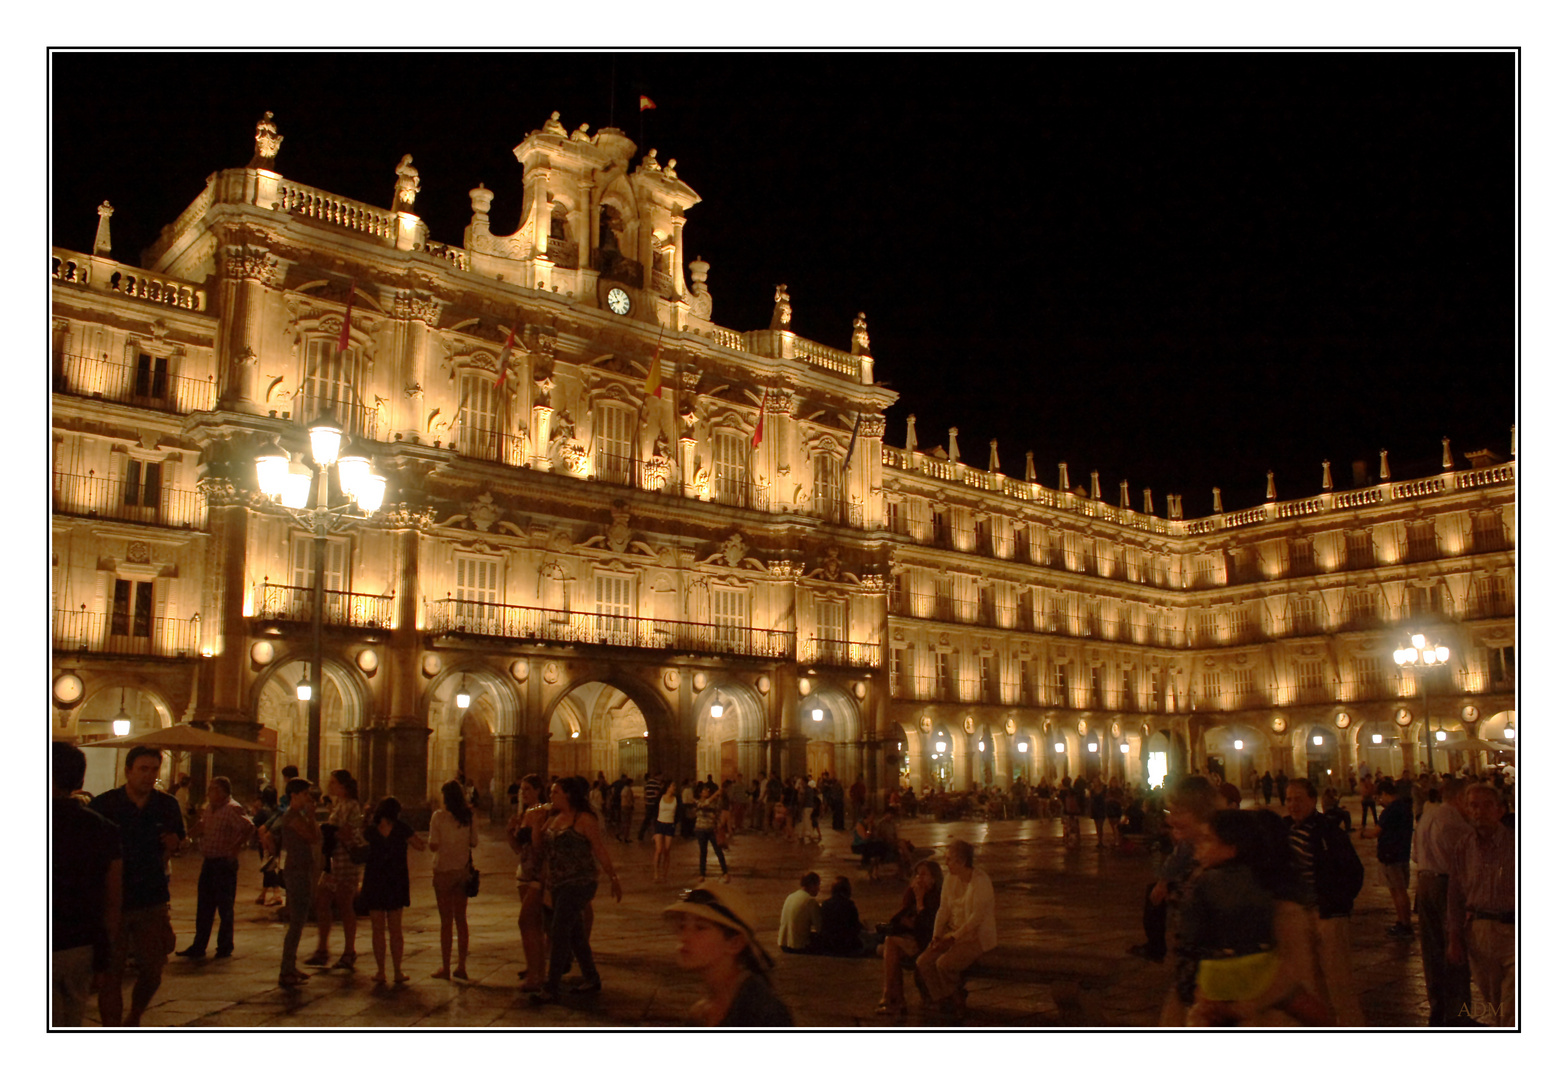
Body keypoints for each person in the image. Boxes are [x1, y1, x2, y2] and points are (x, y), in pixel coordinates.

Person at [1182, 810, 1331, 1026]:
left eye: (1208, 840)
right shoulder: (1268, 891)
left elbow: (1192, 935)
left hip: (1235, 990)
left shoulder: (1284, 911)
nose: (1198, 849)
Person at [89, 746, 184, 1025]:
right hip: (112, 901)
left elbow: (176, 840)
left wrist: (174, 844)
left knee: (153, 970)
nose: (149, 775)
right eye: (143, 769)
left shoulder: (166, 805)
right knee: (111, 973)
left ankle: (135, 1014)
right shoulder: (105, 805)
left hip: (151, 899)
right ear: (128, 770)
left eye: (154, 770)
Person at [531, 776, 622, 1004]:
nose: (551, 796)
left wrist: (613, 877)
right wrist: (533, 823)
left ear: (568, 795)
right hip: (558, 882)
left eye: (555, 792)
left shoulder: (584, 820)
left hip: (580, 882)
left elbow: (599, 849)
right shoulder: (553, 819)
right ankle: (591, 977)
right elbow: (539, 846)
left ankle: (551, 986)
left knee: (560, 930)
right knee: (576, 935)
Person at [1284, 777, 1366, 1026]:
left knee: (1338, 982)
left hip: (1328, 915)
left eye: (1298, 799)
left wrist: (1337, 903)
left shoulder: (1328, 830)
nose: (1293, 804)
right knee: (1309, 984)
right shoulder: (1284, 830)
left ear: (1312, 800)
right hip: (1299, 918)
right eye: (1288, 799)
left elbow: (1354, 871)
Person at [52, 742, 122, 1027]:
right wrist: (103, 957)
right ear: (80, 780)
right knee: (72, 1017)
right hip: (81, 945)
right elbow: (113, 900)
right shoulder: (104, 829)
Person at [666, 882, 793, 1026]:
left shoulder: (763, 1014)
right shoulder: (702, 1012)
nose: (684, 937)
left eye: (700, 928)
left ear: (735, 943)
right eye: (682, 926)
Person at [1446, 783, 1514, 1026]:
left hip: (1512, 932)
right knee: (1493, 1004)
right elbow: (1455, 896)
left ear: (1500, 810)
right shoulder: (1464, 847)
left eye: (1487, 805)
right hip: (1479, 932)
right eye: (1474, 805)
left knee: (1513, 1007)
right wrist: (1454, 938)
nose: (1479, 811)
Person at [1414, 776, 1474, 1025]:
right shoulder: (1455, 821)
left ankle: (1437, 1006)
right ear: (1460, 798)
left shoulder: (1428, 815)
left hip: (1424, 883)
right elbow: (1465, 862)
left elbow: (1415, 855)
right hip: (1445, 885)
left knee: (1431, 951)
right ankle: (1459, 1013)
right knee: (1454, 947)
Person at [176, 776, 255, 960]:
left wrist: (235, 848)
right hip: (209, 861)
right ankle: (199, 945)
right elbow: (204, 824)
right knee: (204, 905)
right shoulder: (210, 808)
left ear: (221, 791)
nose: (209, 792)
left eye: (212, 789)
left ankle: (225, 946)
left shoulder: (232, 808)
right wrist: (187, 836)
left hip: (223, 863)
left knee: (224, 906)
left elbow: (248, 827)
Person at [915, 839, 996, 1016]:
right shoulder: (951, 880)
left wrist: (953, 938)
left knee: (944, 964)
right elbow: (943, 909)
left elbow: (976, 918)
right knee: (923, 962)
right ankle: (945, 997)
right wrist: (937, 936)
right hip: (952, 934)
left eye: (950, 859)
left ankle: (954, 999)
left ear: (962, 862)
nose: (947, 863)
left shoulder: (980, 882)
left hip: (975, 937)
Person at [303, 769, 367, 970]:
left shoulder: (351, 806)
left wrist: (331, 831)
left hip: (345, 862)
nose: (329, 786)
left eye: (333, 782)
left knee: (345, 904)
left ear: (342, 786)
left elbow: (349, 833)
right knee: (322, 900)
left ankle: (349, 951)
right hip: (333, 862)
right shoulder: (339, 805)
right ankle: (322, 948)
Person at [361, 796, 427, 984]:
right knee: (396, 930)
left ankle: (381, 971)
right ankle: (397, 970)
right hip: (395, 881)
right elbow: (420, 846)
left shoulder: (372, 830)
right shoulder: (401, 828)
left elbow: (361, 840)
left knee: (377, 929)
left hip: (374, 881)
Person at [876, 858, 943, 1015]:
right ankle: (895, 998)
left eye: (924, 875)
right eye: (917, 874)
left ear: (934, 879)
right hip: (912, 940)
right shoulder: (911, 893)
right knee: (891, 943)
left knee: (891, 945)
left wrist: (920, 902)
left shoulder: (937, 897)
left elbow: (927, 927)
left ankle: (893, 997)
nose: (919, 878)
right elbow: (902, 916)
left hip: (928, 942)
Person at [427, 779, 478, 980]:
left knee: (446, 922)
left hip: (443, 871)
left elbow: (433, 844)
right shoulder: (469, 816)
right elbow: (474, 842)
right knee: (461, 919)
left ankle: (446, 967)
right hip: (462, 872)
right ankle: (462, 966)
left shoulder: (438, 817)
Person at [506, 774, 551, 988]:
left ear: (538, 791)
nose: (523, 793)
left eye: (527, 790)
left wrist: (534, 826)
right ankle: (532, 966)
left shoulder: (541, 812)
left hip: (536, 873)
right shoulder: (524, 813)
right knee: (532, 924)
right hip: (523, 871)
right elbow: (518, 849)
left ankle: (538, 973)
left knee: (528, 921)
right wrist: (510, 831)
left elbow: (538, 847)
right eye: (521, 790)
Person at [277, 777, 321, 987]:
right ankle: (286, 970)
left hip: (302, 870)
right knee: (296, 923)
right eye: (305, 794)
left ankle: (290, 966)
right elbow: (312, 836)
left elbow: (316, 835)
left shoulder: (299, 816)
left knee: (299, 921)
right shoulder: (293, 817)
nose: (308, 798)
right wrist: (312, 817)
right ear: (294, 795)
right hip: (296, 872)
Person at [1361, 779, 1414, 937]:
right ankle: (1403, 921)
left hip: (1390, 855)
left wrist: (1363, 834)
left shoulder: (1390, 811)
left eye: (1380, 797)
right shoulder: (1405, 808)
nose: (1380, 800)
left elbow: (1376, 832)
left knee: (1397, 891)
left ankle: (1404, 923)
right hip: (1402, 853)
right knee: (1400, 889)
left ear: (1384, 794)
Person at [817, 876, 867, 955]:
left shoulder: (825, 904)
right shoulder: (849, 904)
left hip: (829, 945)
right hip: (846, 945)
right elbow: (855, 926)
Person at [777, 871, 823, 953]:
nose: (818, 889)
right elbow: (819, 927)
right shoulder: (810, 901)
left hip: (783, 943)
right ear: (812, 885)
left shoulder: (790, 896)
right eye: (818, 885)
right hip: (798, 946)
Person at [693, 781, 730, 882]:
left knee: (718, 851)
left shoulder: (714, 802)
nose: (707, 791)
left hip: (712, 829)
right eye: (704, 790)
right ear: (700, 793)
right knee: (703, 852)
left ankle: (725, 872)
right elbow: (704, 804)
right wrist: (716, 794)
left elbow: (718, 812)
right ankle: (702, 873)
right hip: (701, 829)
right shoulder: (697, 802)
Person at [652, 780, 678, 883]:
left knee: (667, 850)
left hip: (670, 824)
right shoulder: (660, 798)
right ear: (668, 787)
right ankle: (656, 873)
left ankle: (664, 874)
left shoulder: (676, 799)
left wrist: (675, 823)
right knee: (659, 850)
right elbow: (654, 811)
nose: (674, 788)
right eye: (672, 786)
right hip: (660, 824)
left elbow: (679, 812)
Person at [638, 771, 664, 842]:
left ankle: (641, 835)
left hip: (648, 804)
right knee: (656, 820)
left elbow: (646, 793)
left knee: (647, 820)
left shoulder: (648, 783)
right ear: (658, 776)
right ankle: (657, 835)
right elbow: (657, 794)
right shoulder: (656, 783)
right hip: (654, 804)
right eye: (661, 776)